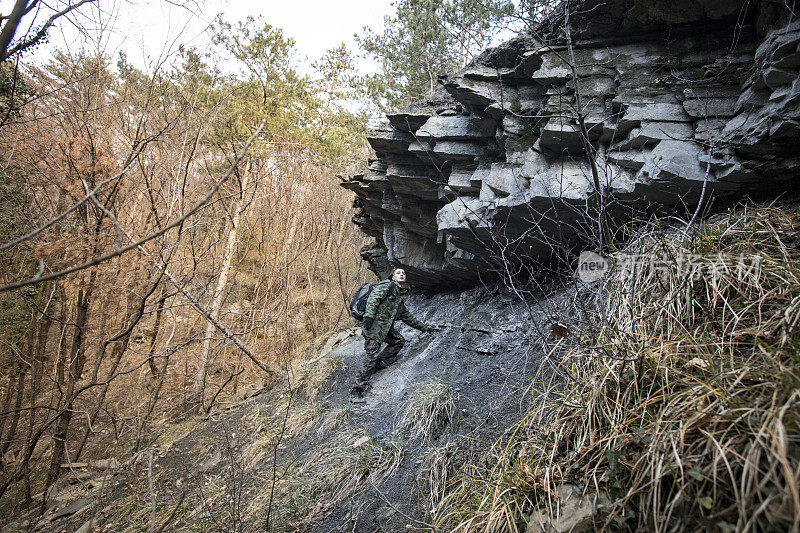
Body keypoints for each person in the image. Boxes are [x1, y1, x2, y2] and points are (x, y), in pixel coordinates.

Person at [350, 267, 430, 403]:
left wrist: (426, 329)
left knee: (399, 341)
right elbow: (374, 298)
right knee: (371, 357)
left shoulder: (399, 297)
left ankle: (380, 362)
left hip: (385, 329)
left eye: (403, 273)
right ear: (393, 277)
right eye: (398, 273)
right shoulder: (387, 285)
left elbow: (408, 317)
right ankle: (356, 390)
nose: (402, 274)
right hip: (373, 327)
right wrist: (368, 316)